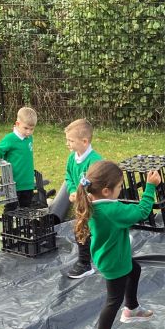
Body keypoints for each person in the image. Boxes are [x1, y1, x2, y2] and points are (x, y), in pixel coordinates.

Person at [75, 160, 161, 329]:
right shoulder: (111, 211)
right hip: (114, 262)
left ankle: (131, 308)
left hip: (111, 257)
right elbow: (142, 211)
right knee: (113, 300)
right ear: (106, 191)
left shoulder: (93, 202)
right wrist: (150, 187)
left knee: (135, 269)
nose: (121, 189)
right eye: (120, 186)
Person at [52, 119, 103, 279]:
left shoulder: (95, 161)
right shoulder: (72, 159)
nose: (67, 143)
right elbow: (68, 176)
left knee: (99, 229)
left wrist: (83, 195)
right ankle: (84, 263)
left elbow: (98, 184)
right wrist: (73, 190)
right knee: (81, 230)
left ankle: (119, 241)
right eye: (67, 140)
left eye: (71, 140)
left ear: (85, 141)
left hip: (95, 205)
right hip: (82, 206)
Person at [0, 107, 37, 211]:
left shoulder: (29, 138)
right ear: (17, 124)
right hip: (13, 183)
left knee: (26, 209)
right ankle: (7, 222)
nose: (29, 132)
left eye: (32, 129)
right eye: (26, 128)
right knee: (10, 209)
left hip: (27, 183)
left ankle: (24, 222)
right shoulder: (10, 138)